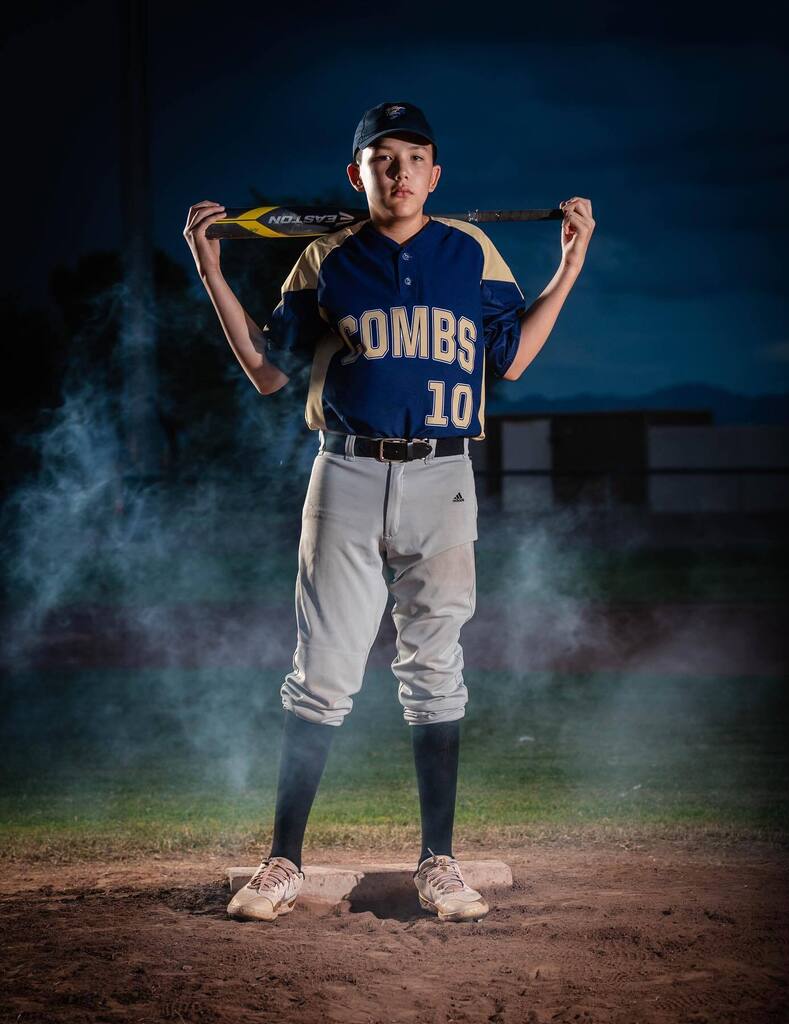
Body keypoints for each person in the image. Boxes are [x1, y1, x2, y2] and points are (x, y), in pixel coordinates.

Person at [183, 100, 595, 924]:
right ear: (357, 175)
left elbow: (510, 357)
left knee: (436, 670)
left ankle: (437, 862)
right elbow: (268, 372)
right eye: (382, 159)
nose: (399, 171)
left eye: (413, 158)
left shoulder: (470, 251)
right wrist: (212, 274)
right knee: (321, 673)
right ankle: (282, 862)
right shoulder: (326, 257)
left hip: (444, 475)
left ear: (434, 175)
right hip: (345, 472)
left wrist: (569, 265)